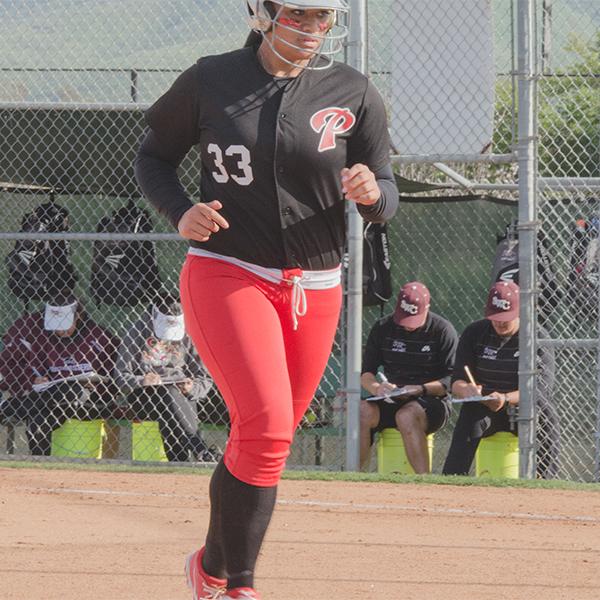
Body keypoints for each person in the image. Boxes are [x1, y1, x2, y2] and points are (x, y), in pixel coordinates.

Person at [134, 1, 399, 597]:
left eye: (321, 18)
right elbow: (152, 157)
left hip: (315, 286)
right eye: (296, 14)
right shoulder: (212, 77)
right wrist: (181, 211)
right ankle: (240, 587)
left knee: (264, 440)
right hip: (229, 270)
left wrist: (372, 192)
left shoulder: (351, 90)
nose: (310, 28)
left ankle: (210, 568)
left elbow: (387, 186)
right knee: (268, 423)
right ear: (262, 12)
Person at [442, 281, 559, 477]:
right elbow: (457, 381)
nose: (499, 323)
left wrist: (505, 398)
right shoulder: (474, 333)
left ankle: (548, 478)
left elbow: (541, 388)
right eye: (495, 317)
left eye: (506, 318)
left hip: (522, 407)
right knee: (470, 414)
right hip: (485, 405)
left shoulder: (536, 336)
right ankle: (452, 477)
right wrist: (468, 390)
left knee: (547, 411)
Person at [360, 282, 458, 473]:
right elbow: (366, 374)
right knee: (362, 411)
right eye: (404, 318)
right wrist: (377, 389)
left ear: (427, 309)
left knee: (406, 415)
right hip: (391, 397)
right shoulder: (383, 327)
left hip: (431, 400)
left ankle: (424, 481)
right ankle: (352, 475)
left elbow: (452, 380)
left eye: (414, 319)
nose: (408, 326)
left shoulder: (443, 330)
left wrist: (420, 389)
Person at [114, 293, 220, 463]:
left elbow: (205, 377)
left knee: (171, 396)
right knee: (167, 394)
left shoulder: (190, 332)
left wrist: (192, 388)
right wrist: (142, 380)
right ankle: (201, 450)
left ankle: (181, 462)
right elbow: (120, 376)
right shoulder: (137, 330)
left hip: (181, 395)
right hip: (144, 396)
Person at [21, 291, 120, 455]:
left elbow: (115, 375)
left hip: (91, 400)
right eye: (56, 325)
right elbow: (37, 369)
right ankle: (41, 464)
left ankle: (13, 407)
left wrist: (98, 383)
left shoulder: (100, 336)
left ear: (78, 316)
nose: (60, 330)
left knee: (72, 389)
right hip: (54, 402)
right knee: (37, 420)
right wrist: (38, 379)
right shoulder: (44, 338)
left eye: (65, 324)